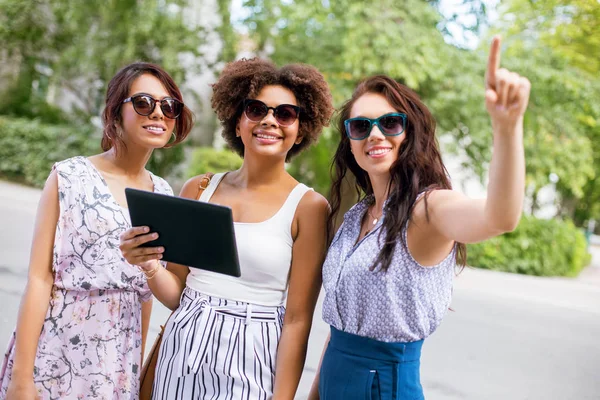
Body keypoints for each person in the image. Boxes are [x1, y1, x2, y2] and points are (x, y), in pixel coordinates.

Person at [309, 36, 531, 399]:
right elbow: (339, 332)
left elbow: (499, 217)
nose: (375, 134)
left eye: (390, 123)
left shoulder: (426, 210)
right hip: (334, 382)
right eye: (361, 126)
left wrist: (507, 129)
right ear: (349, 140)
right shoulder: (355, 217)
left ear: (409, 131)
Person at [119, 58, 334, 399]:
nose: (269, 120)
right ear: (237, 123)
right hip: (183, 349)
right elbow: (177, 295)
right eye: (256, 108)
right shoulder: (198, 189)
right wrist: (147, 265)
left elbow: (297, 321)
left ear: (301, 130)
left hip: (254, 358)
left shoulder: (309, 207)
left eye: (285, 114)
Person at [0, 62, 193, 399]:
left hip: (115, 366)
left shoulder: (162, 193)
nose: (159, 113)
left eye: (169, 106)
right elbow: (39, 279)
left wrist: (132, 379)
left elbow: (143, 296)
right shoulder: (70, 176)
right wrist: (21, 377)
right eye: (144, 103)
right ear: (115, 113)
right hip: (55, 350)